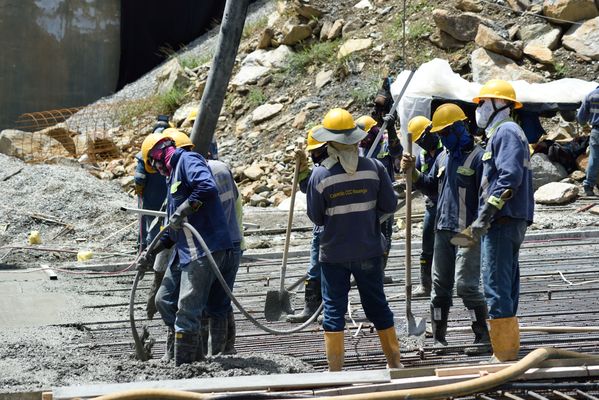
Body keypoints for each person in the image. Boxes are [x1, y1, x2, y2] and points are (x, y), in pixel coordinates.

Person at [307, 108, 401, 371]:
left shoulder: (320, 175)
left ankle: (335, 371)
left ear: (330, 142)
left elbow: (316, 217)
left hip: (334, 255)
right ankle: (395, 363)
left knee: (334, 310)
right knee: (377, 306)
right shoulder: (375, 168)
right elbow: (390, 204)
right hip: (368, 250)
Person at [138, 130, 234, 366]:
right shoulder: (173, 177)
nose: (156, 170)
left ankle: (185, 367)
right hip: (185, 252)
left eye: (153, 164)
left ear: (157, 155)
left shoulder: (187, 161)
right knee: (164, 299)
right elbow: (172, 231)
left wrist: (184, 209)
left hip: (205, 248)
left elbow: (206, 187)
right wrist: (150, 252)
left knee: (187, 309)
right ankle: (196, 353)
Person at [402, 104, 490, 356]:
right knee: (440, 286)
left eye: (445, 133)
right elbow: (432, 187)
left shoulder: (479, 158)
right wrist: (414, 174)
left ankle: (482, 334)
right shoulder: (443, 157)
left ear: (460, 128)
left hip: (467, 231)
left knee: (465, 285)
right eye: (439, 135)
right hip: (443, 229)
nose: (441, 139)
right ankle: (438, 337)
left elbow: (485, 198)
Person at [468, 79, 534, 362]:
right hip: (508, 219)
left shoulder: (506, 131)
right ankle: (508, 347)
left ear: (500, 103)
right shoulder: (503, 133)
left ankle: (504, 355)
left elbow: (509, 178)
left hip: (503, 220)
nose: (479, 108)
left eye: (483, 103)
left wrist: (486, 215)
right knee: (505, 284)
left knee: (495, 283)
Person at [287, 126, 327, 323]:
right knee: (314, 268)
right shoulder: (320, 169)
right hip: (320, 227)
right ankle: (311, 307)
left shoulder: (332, 169)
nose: (314, 155)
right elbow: (306, 187)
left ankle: (330, 309)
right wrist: (302, 168)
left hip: (332, 227)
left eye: (316, 152)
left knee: (331, 268)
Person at [356, 115, 403, 276]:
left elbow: (397, 151)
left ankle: (379, 271)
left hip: (384, 197)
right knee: (365, 234)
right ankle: (365, 269)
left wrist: (390, 129)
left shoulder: (384, 146)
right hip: (364, 198)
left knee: (385, 234)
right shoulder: (358, 150)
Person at [407, 116, 443, 298]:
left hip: (445, 205)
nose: (421, 143)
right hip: (431, 205)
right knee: (427, 246)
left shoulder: (444, 150)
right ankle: (425, 284)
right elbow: (419, 180)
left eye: (422, 138)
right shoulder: (422, 155)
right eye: (418, 141)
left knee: (451, 243)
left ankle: (446, 282)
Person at [577, 85, 599, 196]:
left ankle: (588, 185)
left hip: (596, 131)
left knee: (594, 158)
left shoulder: (590, 95)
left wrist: (584, 126)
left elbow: (580, 117)